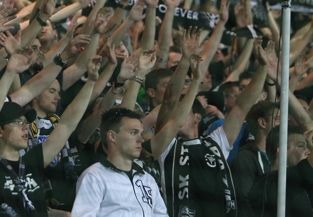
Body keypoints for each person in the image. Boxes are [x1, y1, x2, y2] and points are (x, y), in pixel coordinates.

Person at [0, 48, 103, 217]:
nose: (25, 127)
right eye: (18, 123)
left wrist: (91, 81)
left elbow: (66, 125)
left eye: (26, 123)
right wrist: (10, 72)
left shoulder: (32, 161)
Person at [155, 38, 272, 217]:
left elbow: (241, 107)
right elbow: (170, 99)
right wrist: (185, 63)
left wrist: (263, 68)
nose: (175, 118)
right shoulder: (166, 146)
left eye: (182, 112)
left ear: (197, 117)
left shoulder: (215, 143)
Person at [72, 107, 168, 217]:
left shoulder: (147, 178)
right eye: (133, 133)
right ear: (112, 136)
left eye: (140, 133)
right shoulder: (94, 176)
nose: (141, 139)